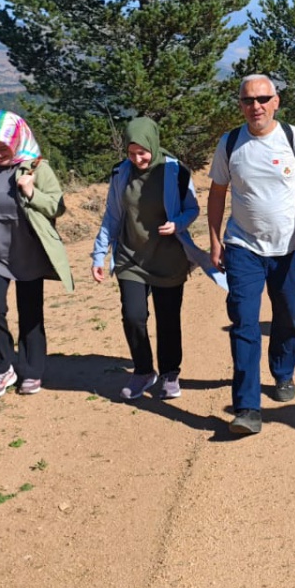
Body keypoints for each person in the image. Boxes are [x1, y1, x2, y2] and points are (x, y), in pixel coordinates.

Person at [208, 74, 295, 436]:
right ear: (240, 105)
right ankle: (246, 407)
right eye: (247, 100)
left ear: (276, 101)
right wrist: (215, 241)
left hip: (288, 249)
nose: (254, 106)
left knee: (288, 317)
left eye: (262, 98)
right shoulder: (229, 143)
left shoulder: (294, 138)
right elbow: (216, 193)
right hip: (243, 247)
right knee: (244, 323)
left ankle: (283, 372)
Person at [0, 110, 73, 399]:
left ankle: (32, 371)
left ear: (17, 139)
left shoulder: (37, 168)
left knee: (30, 314)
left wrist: (32, 193)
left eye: (3, 148)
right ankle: (2, 369)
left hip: (29, 253)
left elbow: (57, 206)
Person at [91, 117, 204, 402]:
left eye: (142, 152)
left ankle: (169, 373)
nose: (137, 158)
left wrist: (178, 223)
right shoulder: (120, 173)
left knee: (168, 320)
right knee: (133, 316)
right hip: (131, 257)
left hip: (168, 259)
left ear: (153, 144)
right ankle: (143, 370)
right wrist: (99, 254)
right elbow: (112, 217)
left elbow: (192, 208)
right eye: (131, 153)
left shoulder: (175, 171)